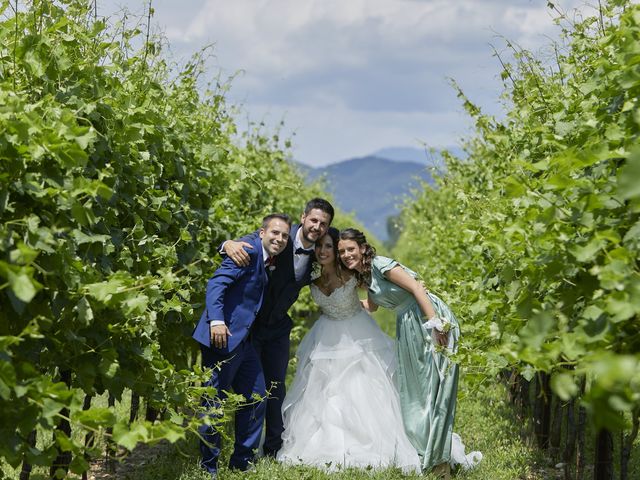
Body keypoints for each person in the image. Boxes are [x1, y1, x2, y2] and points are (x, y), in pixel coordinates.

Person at [337, 228, 481, 478]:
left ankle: (440, 462)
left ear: (362, 248)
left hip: (428, 320)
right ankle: (427, 451)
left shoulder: (381, 264)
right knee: (416, 390)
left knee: (435, 387)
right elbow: (371, 306)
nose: (347, 254)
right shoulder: (365, 277)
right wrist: (336, 303)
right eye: (342, 252)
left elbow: (416, 288)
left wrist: (436, 325)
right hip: (408, 326)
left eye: (350, 249)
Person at [276, 227, 421, 472]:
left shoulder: (351, 271)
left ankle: (371, 439)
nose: (323, 251)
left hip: (357, 333)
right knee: (324, 391)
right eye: (319, 246)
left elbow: (376, 283)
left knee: (362, 387)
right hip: (326, 336)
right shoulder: (310, 276)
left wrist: (380, 301)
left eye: (329, 247)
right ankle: (326, 442)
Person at [221, 198, 334, 457]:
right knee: (250, 389)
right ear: (303, 217)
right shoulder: (281, 237)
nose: (317, 226)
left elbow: (347, 251)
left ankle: (273, 447)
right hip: (254, 327)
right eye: (313, 220)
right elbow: (253, 238)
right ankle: (242, 449)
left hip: (279, 328)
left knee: (276, 387)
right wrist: (227, 244)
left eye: (323, 224)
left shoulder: (321, 250)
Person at [192, 214, 291, 478]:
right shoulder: (247, 250)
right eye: (275, 233)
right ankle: (208, 469)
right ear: (261, 232)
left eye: (284, 235)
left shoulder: (268, 256)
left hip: (243, 340)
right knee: (214, 402)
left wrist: (225, 243)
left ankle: (241, 463)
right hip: (222, 338)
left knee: (257, 397)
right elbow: (216, 284)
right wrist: (216, 321)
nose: (280, 239)